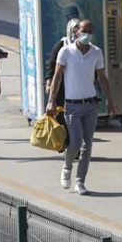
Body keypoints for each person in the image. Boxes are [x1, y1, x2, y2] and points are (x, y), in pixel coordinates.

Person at [46, 19, 116, 195]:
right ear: (76, 32)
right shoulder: (66, 51)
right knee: (76, 142)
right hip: (72, 105)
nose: (87, 34)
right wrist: (51, 100)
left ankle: (80, 181)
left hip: (90, 105)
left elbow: (102, 78)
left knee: (88, 145)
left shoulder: (96, 52)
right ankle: (67, 166)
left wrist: (110, 101)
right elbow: (57, 77)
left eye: (90, 31)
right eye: (84, 30)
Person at [45, 12, 82, 153]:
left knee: (76, 119)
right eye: (74, 30)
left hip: (78, 88)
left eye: (79, 30)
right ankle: (68, 143)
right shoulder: (61, 45)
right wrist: (49, 82)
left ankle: (75, 146)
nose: (77, 33)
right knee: (62, 117)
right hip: (62, 88)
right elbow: (52, 66)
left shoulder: (86, 48)